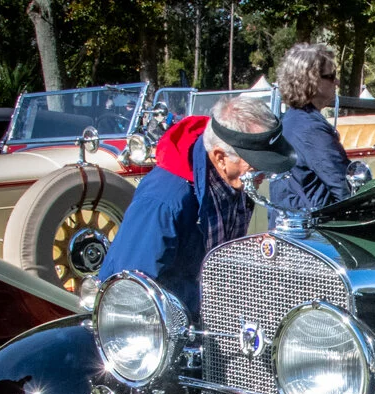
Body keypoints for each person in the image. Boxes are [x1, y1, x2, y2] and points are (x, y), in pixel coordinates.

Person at [99, 95, 295, 316]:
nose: (264, 175)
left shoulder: (232, 177)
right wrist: (215, 297)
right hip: (157, 325)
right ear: (221, 158)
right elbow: (131, 291)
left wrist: (246, 252)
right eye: (258, 166)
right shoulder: (164, 201)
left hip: (204, 310)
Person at [270, 43, 350, 216]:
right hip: (313, 232)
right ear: (312, 80)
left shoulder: (292, 120)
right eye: (331, 76)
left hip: (296, 226)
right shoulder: (311, 129)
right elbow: (344, 187)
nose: (337, 81)